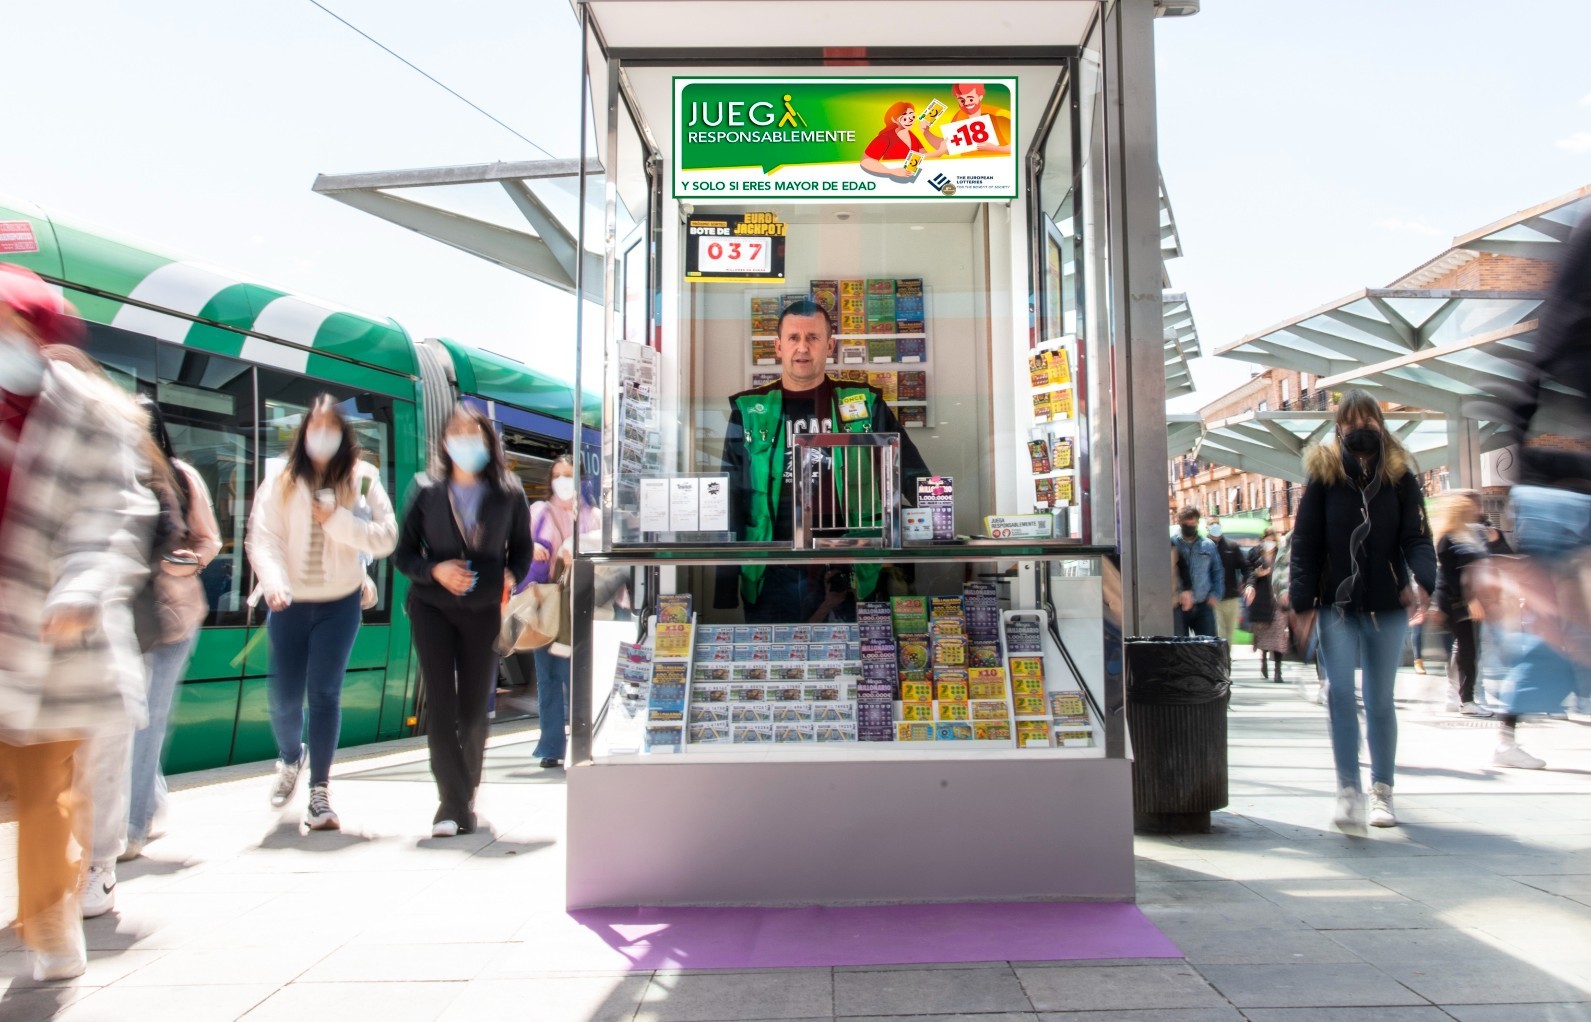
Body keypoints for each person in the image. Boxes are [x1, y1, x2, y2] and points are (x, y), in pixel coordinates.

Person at [0, 264, 155, 980]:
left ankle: (53, 919)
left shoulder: (92, 415)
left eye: (12, 329)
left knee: (45, 796)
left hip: (49, 638)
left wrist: (82, 588)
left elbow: (114, 516)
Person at [718, 299, 929, 624]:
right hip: (771, 569)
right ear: (778, 346)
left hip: (848, 569)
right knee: (775, 666)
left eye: (813, 338)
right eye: (793, 338)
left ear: (829, 345)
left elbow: (911, 473)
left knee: (847, 668)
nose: (803, 347)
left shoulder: (863, 403)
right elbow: (729, 497)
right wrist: (724, 584)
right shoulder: (749, 411)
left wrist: (938, 526)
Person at [246, 394, 396, 830]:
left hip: (340, 603)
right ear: (303, 432)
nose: (323, 435)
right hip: (289, 602)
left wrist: (337, 521)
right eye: (316, 426)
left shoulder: (363, 478)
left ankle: (320, 791)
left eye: (332, 427)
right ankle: (291, 757)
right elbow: (263, 535)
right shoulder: (280, 478)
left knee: (325, 693)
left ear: (344, 434)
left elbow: (386, 537)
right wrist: (273, 580)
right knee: (284, 697)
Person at [1289, 389, 1436, 832]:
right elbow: (1305, 543)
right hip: (1338, 606)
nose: (1360, 430)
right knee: (1338, 695)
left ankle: (1382, 792)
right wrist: (1302, 602)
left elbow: (1416, 537)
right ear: (1338, 428)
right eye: (1350, 423)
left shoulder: (1401, 478)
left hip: (1388, 607)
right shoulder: (1324, 478)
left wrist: (1423, 580)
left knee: (1380, 701)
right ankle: (1347, 788)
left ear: (1381, 424)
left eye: (1367, 421)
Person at [395, 405, 531, 835]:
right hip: (431, 607)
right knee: (441, 702)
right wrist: (434, 570)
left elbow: (523, 551)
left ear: (488, 441)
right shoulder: (425, 489)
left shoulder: (509, 492)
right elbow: (403, 554)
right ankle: (450, 806)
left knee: (474, 711)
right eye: (454, 432)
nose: (463, 440)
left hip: (482, 612)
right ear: (444, 440)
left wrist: (509, 575)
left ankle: (464, 794)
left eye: (472, 433)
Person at [528, 455, 597, 769]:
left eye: (568, 475)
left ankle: (585, 740)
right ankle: (551, 746)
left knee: (582, 677)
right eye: (557, 475)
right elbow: (513, 547)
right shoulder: (539, 511)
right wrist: (529, 549)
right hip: (548, 604)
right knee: (549, 678)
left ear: (581, 480)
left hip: (584, 606)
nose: (562, 480)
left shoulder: (594, 516)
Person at [1427, 491, 1494, 718]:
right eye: (1471, 507)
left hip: (1462, 603)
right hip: (1456, 604)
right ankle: (1467, 700)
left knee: (1465, 650)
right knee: (1467, 650)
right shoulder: (1450, 538)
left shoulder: (1466, 535)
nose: (1478, 510)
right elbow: (1451, 575)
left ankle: (1460, 697)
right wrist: (1470, 600)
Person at [1170, 507, 1222, 637]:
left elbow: (1217, 571)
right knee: (1180, 647)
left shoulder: (1207, 545)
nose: (1190, 527)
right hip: (1178, 605)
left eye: (1193, 524)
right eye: (1186, 524)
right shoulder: (1172, 543)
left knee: (1207, 647)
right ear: (1180, 522)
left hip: (1203, 604)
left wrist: (1216, 593)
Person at [1245, 527, 1288, 681]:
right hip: (1262, 600)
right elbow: (1248, 573)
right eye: (1267, 539)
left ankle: (1278, 671)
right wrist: (1256, 575)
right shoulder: (1254, 554)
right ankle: (1263, 660)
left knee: (1279, 637)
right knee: (1263, 636)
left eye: (1272, 540)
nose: (1269, 543)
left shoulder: (1281, 555)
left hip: (1278, 601)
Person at [859, 102, 938, 180]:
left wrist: (940, 151)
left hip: (911, 181)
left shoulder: (912, 136)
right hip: (890, 181)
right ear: (893, 119)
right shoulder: (885, 137)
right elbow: (866, 161)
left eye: (912, 116)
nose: (910, 120)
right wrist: (891, 171)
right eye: (904, 118)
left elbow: (924, 155)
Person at [936, 82, 1013, 154]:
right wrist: (926, 132)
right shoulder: (959, 116)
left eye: (971, 99)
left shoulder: (997, 115)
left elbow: (1017, 146)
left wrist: (994, 148)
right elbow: (949, 146)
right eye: (962, 100)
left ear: (980, 97)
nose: (966, 103)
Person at [1207, 517, 1246, 647]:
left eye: (1217, 523)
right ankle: (1219, 659)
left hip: (1231, 597)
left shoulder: (1232, 546)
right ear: (1206, 527)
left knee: (1229, 633)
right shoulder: (1202, 546)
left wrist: (1249, 584)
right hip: (1212, 598)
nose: (1215, 526)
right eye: (1211, 524)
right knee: (1219, 631)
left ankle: (1226, 659)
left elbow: (1245, 567)